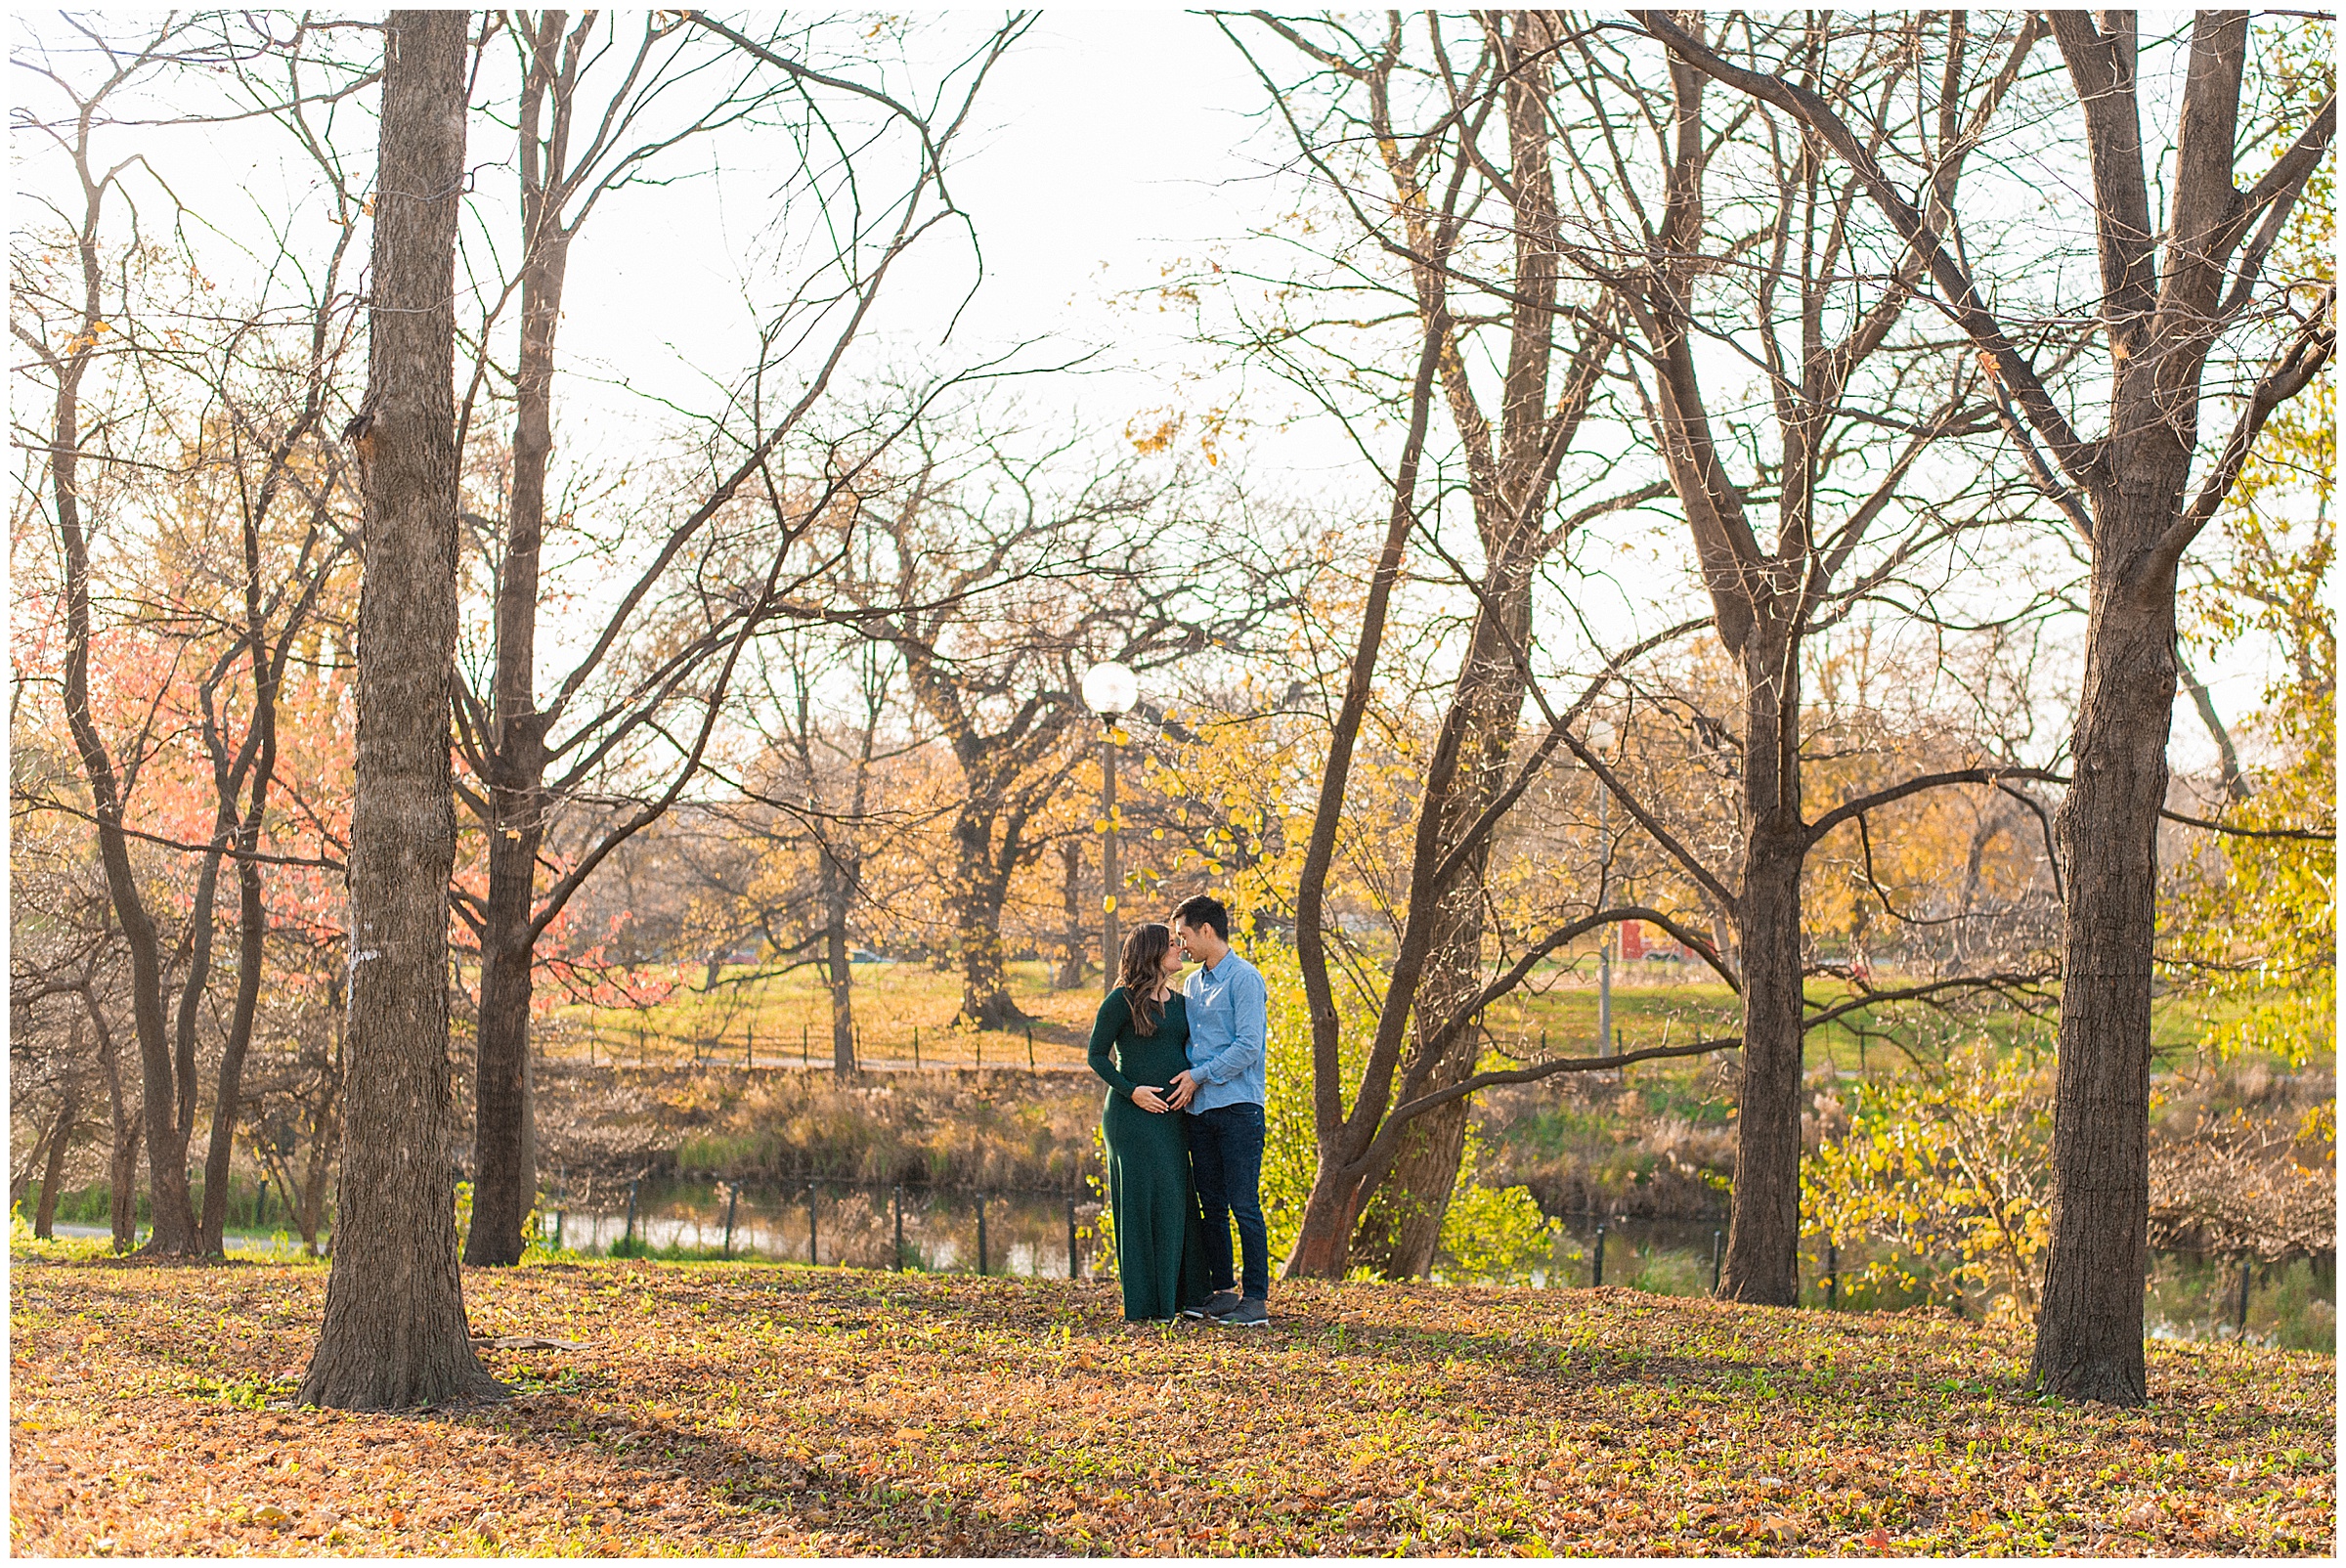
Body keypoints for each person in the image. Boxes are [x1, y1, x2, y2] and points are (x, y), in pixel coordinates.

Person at [1086, 923, 1208, 1323]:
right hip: (1131, 1118)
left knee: (1174, 1198)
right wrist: (1131, 1090)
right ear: (1153, 953)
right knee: (1140, 1204)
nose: (1180, 949)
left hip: (1173, 1118)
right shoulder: (1121, 1001)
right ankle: (1144, 1305)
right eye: (1172, 945)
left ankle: (1178, 1298)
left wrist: (1192, 1084)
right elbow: (1097, 1056)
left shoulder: (1182, 1001)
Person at [1166, 894, 1272, 1328]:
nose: (1181, 944)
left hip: (1238, 1109)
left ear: (1206, 930)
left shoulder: (1245, 979)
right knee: (1211, 1203)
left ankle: (1257, 1299)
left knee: (1243, 1203)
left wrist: (1199, 1076)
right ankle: (1224, 1292)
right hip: (1201, 1112)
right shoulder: (1191, 984)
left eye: (1184, 935)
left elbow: (1248, 1046)